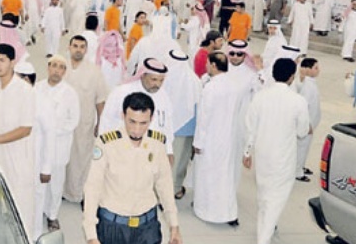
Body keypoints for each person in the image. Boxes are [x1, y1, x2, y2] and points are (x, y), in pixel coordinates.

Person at [83, 92, 183, 244]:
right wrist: (91, 237)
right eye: (132, 122)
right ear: (123, 116)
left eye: (143, 123)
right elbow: (92, 188)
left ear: (151, 119)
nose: (137, 130)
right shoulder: (106, 143)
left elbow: (165, 185)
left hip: (147, 230)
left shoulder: (157, 143)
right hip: (112, 229)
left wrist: (174, 224)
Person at [243, 58, 310, 244]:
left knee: (265, 194)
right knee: (276, 197)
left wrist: (247, 152)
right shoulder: (298, 100)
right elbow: (302, 131)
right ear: (292, 76)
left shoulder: (261, 97)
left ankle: (268, 226)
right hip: (283, 156)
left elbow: (250, 126)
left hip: (263, 153)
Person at [0, 43, 36, 238]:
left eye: (2, 60)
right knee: (1, 207)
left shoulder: (24, 90)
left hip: (19, 160)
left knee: (22, 209)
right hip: (0, 158)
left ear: (12, 62)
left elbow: (25, 129)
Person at [192, 51, 246, 226]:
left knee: (208, 175)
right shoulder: (235, 85)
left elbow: (204, 117)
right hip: (229, 138)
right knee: (225, 176)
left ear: (214, 66)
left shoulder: (211, 87)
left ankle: (208, 210)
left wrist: (198, 142)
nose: (206, 66)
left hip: (211, 140)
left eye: (208, 64)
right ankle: (227, 212)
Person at [34, 56, 80, 233]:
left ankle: (52, 215)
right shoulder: (37, 88)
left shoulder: (70, 93)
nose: (56, 70)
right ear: (48, 67)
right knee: (38, 180)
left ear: (64, 72)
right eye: (54, 66)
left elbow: (73, 120)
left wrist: (52, 130)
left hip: (59, 145)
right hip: (39, 143)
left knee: (55, 182)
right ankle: (37, 212)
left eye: (61, 67)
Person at [63, 35, 109, 205]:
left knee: (82, 158)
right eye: (75, 46)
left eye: (82, 47)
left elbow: (100, 100)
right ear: (69, 47)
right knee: (63, 156)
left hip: (84, 122)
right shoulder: (61, 66)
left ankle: (79, 193)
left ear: (86, 50)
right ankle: (62, 190)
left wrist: (100, 123)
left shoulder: (94, 71)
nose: (78, 49)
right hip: (61, 124)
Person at [99, 58, 175, 160]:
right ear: (143, 75)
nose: (157, 84)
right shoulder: (121, 92)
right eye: (154, 80)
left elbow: (167, 126)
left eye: (161, 80)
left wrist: (169, 151)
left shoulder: (163, 96)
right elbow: (106, 122)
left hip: (152, 153)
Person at [163, 49, 201, 201]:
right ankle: (175, 189)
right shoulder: (194, 80)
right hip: (187, 128)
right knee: (180, 160)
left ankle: (160, 191)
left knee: (164, 159)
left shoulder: (163, 78)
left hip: (166, 126)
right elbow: (199, 107)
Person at [296, 58, 321, 182]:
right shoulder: (307, 86)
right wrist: (307, 124)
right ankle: (297, 171)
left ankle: (301, 166)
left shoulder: (311, 83)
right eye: (315, 68)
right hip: (307, 124)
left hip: (312, 122)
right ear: (307, 69)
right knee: (301, 147)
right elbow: (304, 106)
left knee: (306, 147)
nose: (318, 70)